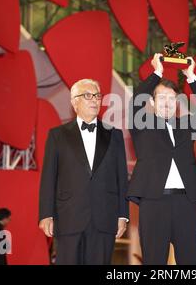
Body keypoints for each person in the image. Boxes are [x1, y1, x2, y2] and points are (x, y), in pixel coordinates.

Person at [127, 53, 196, 264]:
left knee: (191, 261)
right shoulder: (142, 124)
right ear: (152, 101)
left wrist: (191, 76)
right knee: (154, 260)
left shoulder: (185, 126)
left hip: (186, 202)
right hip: (153, 202)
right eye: (162, 98)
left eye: (171, 98)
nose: (167, 103)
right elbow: (136, 102)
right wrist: (157, 72)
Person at [39, 78, 129, 265]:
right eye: (88, 96)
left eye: (97, 96)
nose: (94, 100)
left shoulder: (114, 134)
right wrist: (46, 214)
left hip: (104, 217)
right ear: (74, 102)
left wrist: (122, 214)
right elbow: (49, 177)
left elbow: (121, 177)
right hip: (68, 217)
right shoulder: (57, 135)